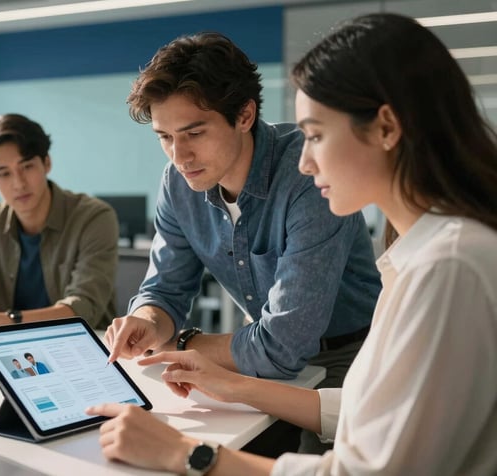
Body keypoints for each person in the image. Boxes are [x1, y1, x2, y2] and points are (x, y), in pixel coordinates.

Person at [88, 13, 497, 475]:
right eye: (165, 137)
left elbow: (364, 467)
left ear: (386, 128)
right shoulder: (426, 255)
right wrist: (224, 377)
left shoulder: (447, 267)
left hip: (334, 353)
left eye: (317, 135)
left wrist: (187, 453)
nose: (304, 161)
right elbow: (364, 410)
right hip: (290, 376)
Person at [105, 30, 381, 453]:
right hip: (257, 360)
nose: (179, 157)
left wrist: (180, 343)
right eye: (165, 137)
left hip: (350, 361)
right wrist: (147, 320)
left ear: (245, 115)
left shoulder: (308, 176)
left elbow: (284, 344)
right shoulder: (178, 186)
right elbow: (165, 289)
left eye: (194, 133)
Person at [0, 113, 118, 336]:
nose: (19, 183)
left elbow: (83, 308)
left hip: (87, 346)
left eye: (27, 167)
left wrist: (5, 320)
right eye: (4, 173)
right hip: (13, 348)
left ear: (46, 163)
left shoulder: (94, 217)